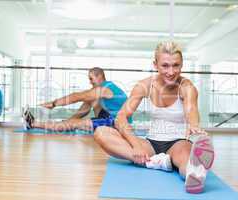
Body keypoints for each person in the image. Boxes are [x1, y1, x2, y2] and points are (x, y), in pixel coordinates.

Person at [94, 41, 214, 194]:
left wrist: (194, 125)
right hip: (150, 144)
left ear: (182, 65)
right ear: (155, 64)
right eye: (165, 66)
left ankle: (193, 173)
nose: (171, 72)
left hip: (177, 143)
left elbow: (191, 110)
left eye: (176, 65)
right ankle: (163, 162)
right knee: (101, 132)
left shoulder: (187, 87)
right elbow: (121, 117)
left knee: (186, 159)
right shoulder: (144, 85)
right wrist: (136, 145)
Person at [23, 67, 132, 132]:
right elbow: (85, 104)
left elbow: (77, 96)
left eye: (91, 78)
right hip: (111, 117)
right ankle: (69, 123)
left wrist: (54, 103)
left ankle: (33, 124)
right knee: (89, 100)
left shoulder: (104, 89)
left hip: (118, 124)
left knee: (82, 107)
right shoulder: (106, 87)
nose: (90, 82)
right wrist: (70, 120)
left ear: (100, 76)